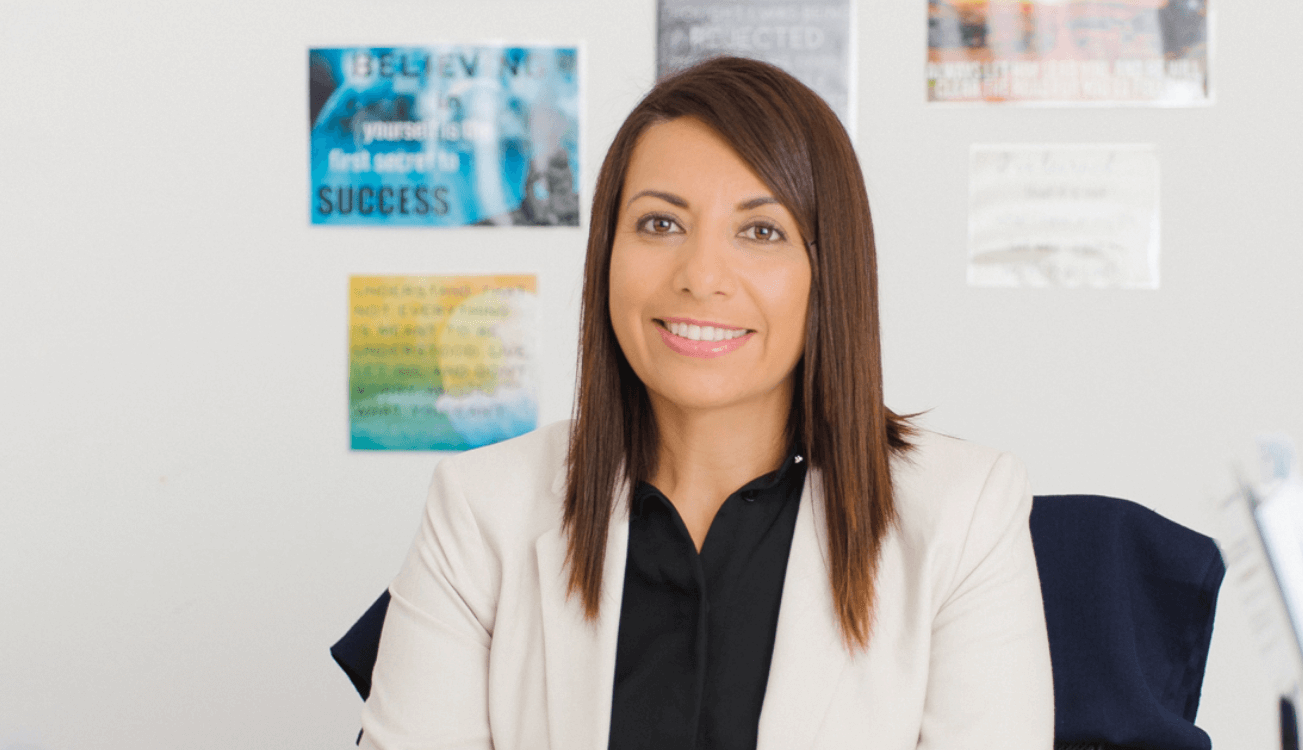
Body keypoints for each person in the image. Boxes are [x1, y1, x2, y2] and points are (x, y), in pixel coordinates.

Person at [359, 57, 1053, 750]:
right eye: (660, 224)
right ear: (607, 252)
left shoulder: (964, 513)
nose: (701, 277)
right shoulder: (479, 508)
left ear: (828, 273)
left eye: (761, 231)